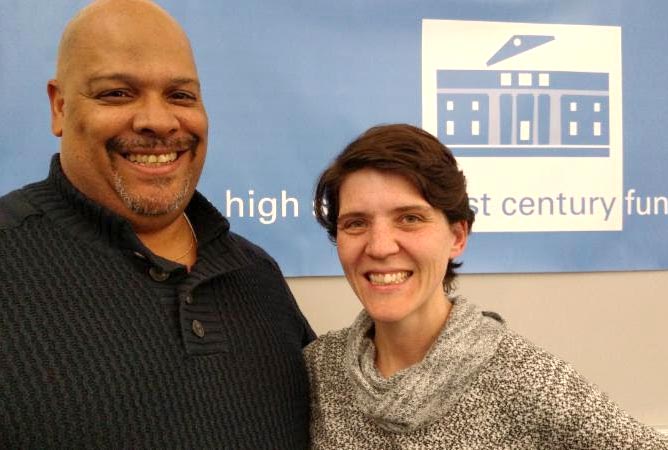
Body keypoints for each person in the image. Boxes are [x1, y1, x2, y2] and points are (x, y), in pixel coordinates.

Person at [0, 0, 314, 447]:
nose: (158, 122)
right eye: (116, 93)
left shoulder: (257, 275)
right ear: (59, 107)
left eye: (180, 95)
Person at [305, 123, 667, 449]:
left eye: (410, 219)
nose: (380, 246)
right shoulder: (317, 370)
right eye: (355, 223)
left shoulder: (526, 380)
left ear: (457, 236)